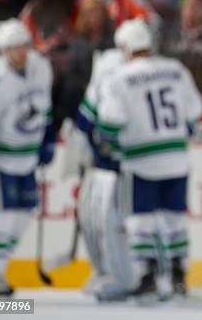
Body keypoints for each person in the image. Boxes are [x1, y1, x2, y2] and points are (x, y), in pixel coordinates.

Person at [97, 19, 202, 300]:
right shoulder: (175, 70)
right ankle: (179, 275)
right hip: (176, 157)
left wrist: (109, 147)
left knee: (140, 221)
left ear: (125, 47)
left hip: (139, 160)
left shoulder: (119, 77)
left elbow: (110, 122)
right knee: (175, 219)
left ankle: (148, 276)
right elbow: (195, 111)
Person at [0, 19, 54, 296]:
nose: (21, 53)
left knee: (22, 217)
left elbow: (45, 107)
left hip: (27, 159)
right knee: (1, 217)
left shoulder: (41, 67)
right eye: (14, 48)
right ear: (2, 50)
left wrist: (47, 140)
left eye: (24, 46)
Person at [74, 22, 136, 301]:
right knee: (100, 220)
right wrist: (95, 150)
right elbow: (88, 116)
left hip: (124, 163)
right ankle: (110, 275)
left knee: (115, 222)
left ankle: (123, 278)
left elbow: (88, 118)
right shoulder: (110, 64)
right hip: (113, 162)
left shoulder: (122, 68)